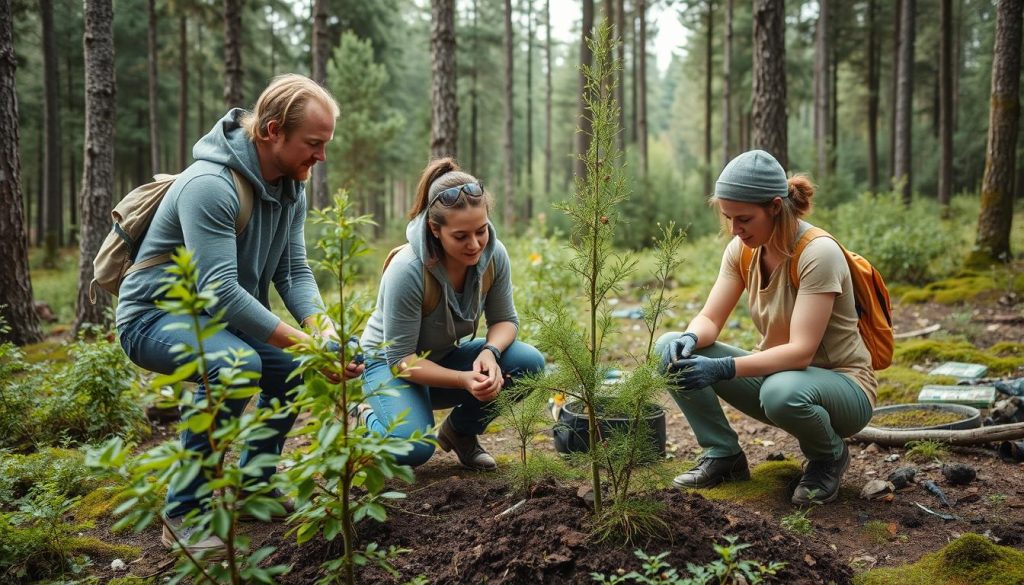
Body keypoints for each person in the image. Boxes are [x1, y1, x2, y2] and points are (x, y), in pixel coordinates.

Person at [115, 74, 362, 556]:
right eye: (313, 143)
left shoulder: (292, 184)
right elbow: (220, 291)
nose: (322, 156)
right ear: (272, 131)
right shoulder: (210, 185)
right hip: (151, 319)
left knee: (291, 369)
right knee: (236, 365)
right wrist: (308, 344)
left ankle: (252, 488)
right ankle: (185, 512)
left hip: (219, 324)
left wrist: (322, 331)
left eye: (326, 143)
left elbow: (293, 270)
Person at [656, 149, 876, 506]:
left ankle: (828, 456)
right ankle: (723, 453)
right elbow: (711, 318)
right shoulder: (742, 250)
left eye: (744, 219)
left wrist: (722, 367)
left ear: (775, 206)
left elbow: (802, 351)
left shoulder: (817, 253)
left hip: (843, 388)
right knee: (669, 347)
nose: (735, 229)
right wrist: (690, 337)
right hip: (777, 377)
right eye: (728, 218)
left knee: (780, 391)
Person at [358, 158, 545, 471]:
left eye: (481, 231)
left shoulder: (493, 255)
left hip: (440, 358)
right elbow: (401, 359)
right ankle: (365, 416)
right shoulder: (408, 270)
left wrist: (490, 351)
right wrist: (463, 379)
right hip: (389, 367)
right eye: (461, 236)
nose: (474, 245)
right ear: (435, 229)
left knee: (527, 363)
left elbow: (505, 321)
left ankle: (460, 433)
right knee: (414, 449)